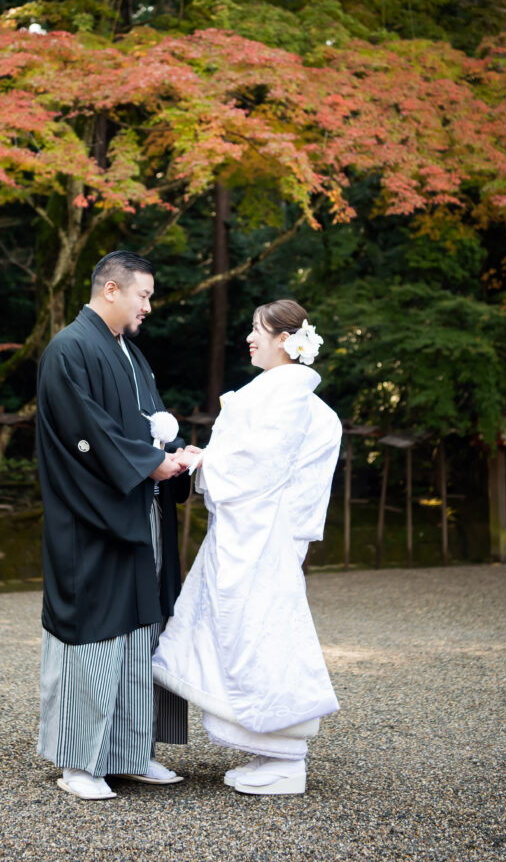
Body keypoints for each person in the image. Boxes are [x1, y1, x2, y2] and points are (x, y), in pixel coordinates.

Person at [152, 299, 342, 796]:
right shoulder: (286, 392)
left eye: (258, 329)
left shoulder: (285, 393)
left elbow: (260, 467)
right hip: (257, 532)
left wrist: (203, 464)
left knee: (256, 633)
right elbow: (254, 458)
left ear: (285, 339)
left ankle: (284, 757)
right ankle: (272, 750)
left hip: (259, 536)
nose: (250, 338)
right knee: (250, 630)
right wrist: (206, 458)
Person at [36, 251, 195, 800]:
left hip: (137, 508)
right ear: (111, 289)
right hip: (91, 516)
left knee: (140, 632)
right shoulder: (69, 350)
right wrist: (150, 463)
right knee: (95, 632)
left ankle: (131, 752)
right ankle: (78, 762)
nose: (147, 306)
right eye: (143, 295)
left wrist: (174, 454)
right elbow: (88, 432)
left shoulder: (130, 353)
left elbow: (153, 425)